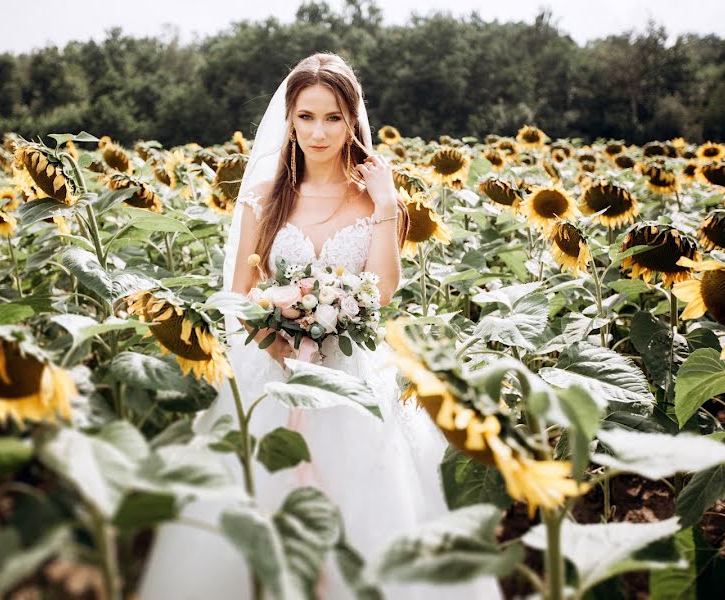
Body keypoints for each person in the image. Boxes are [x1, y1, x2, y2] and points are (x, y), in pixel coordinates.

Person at [138, 53, 502, 599]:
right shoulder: (263, 199)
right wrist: (275, 338)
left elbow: (381, 289)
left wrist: (384, 203)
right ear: (289, 121)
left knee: (366, 507)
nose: (318, 131)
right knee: (257, 501)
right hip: (272, 369)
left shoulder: (375, 200)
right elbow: (238, 296)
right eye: (306, 117)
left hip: (349, 373)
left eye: (333, 117)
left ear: (353, 120)